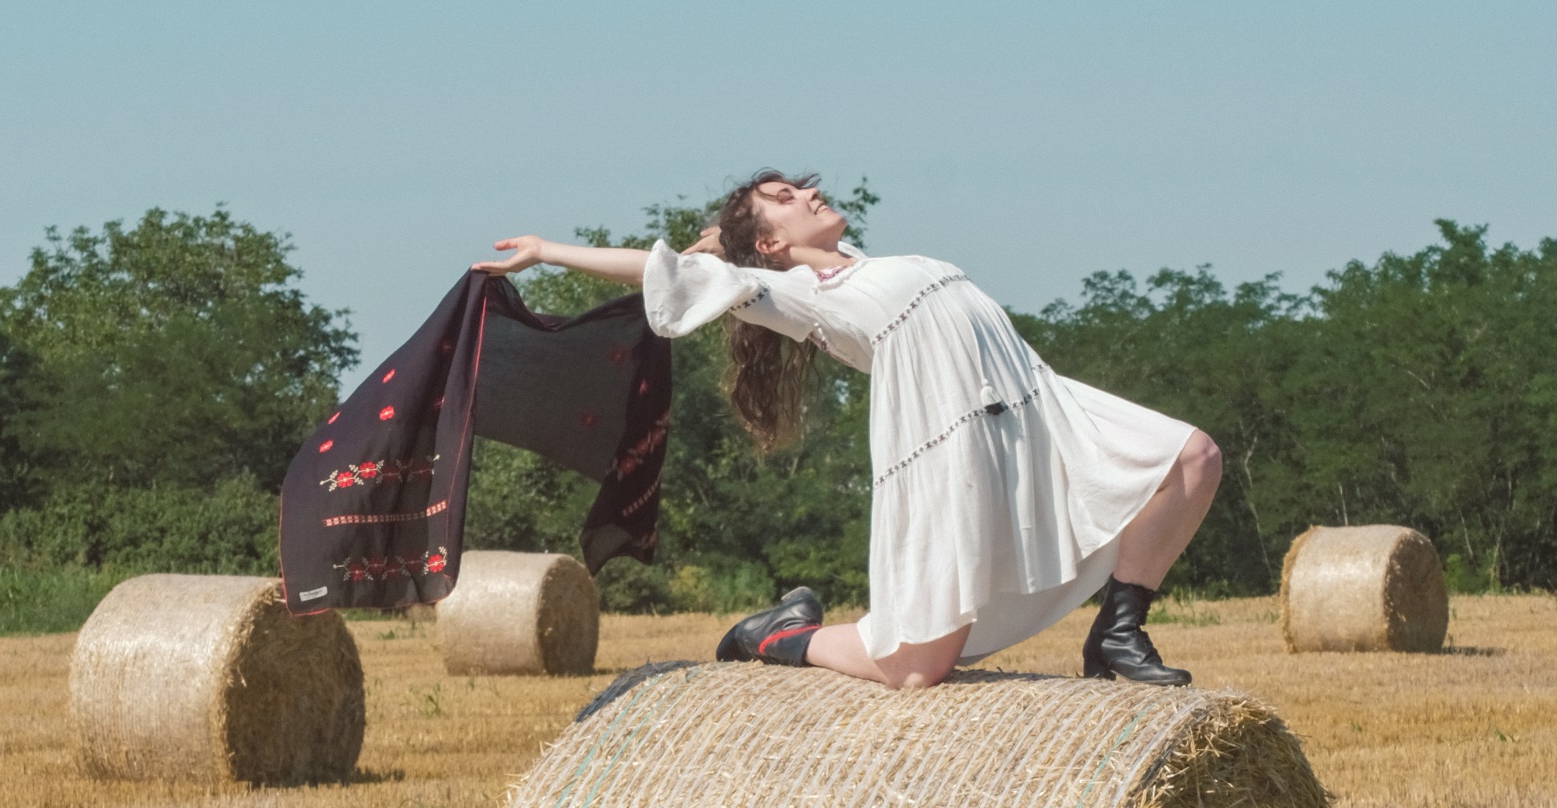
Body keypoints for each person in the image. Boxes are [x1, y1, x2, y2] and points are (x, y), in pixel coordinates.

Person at [478, 173, 1222, 689]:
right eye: (783, 196)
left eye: (798, 184)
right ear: (765, 246)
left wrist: (727, 236)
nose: (806, 191)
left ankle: (1117, 632)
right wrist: (549, 251)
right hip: (949, 447)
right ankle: (775, 638)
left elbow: (736, 248)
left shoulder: (865, 264)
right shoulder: (788, 293)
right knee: (913, 671)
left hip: (1037, 404)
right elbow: (661, 270)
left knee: (1192, 458)